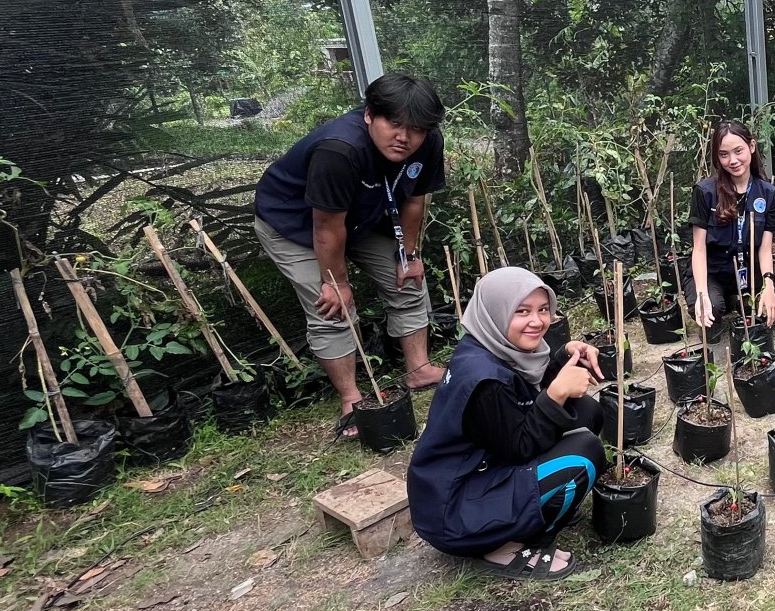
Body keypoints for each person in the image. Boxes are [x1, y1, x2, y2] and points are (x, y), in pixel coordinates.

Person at [255, 73, 449, 440]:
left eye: (417, 129)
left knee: (407, 280)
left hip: (363, 216)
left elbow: (414, 199)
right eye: (394, 124)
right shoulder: (339, 150)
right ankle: (352, 400)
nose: (405, 137)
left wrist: (408, 254)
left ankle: (419, 369)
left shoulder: (428, 142)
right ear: (369, 114)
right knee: (332, 307)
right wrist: (337, 282)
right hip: (296, 226)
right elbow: (327, 229)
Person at [407, 268, 608, 580]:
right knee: (584, 454)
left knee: (585, 411)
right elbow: (520, 446)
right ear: (496, 311)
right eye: (522, 311)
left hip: (482, 470)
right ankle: (507, 546)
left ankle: (535, 510)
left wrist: (562, 358)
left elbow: (522, 397)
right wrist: (555, 393)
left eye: (543, 309)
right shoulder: (483, 380)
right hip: (457, 512)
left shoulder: (487, 346)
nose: (537, 321)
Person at [689, 120, 775, 341]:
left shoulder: (767, 193)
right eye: (723, 154)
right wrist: (701, 294)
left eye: (738, 151)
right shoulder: (705, 192)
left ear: (751, 147)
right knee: (712, 311)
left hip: (749, 270)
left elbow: (765, 248)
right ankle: (722, 300)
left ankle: (752, 300)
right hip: (713, 271)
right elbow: (699, 249)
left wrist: (768, 284)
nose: (732, 160)